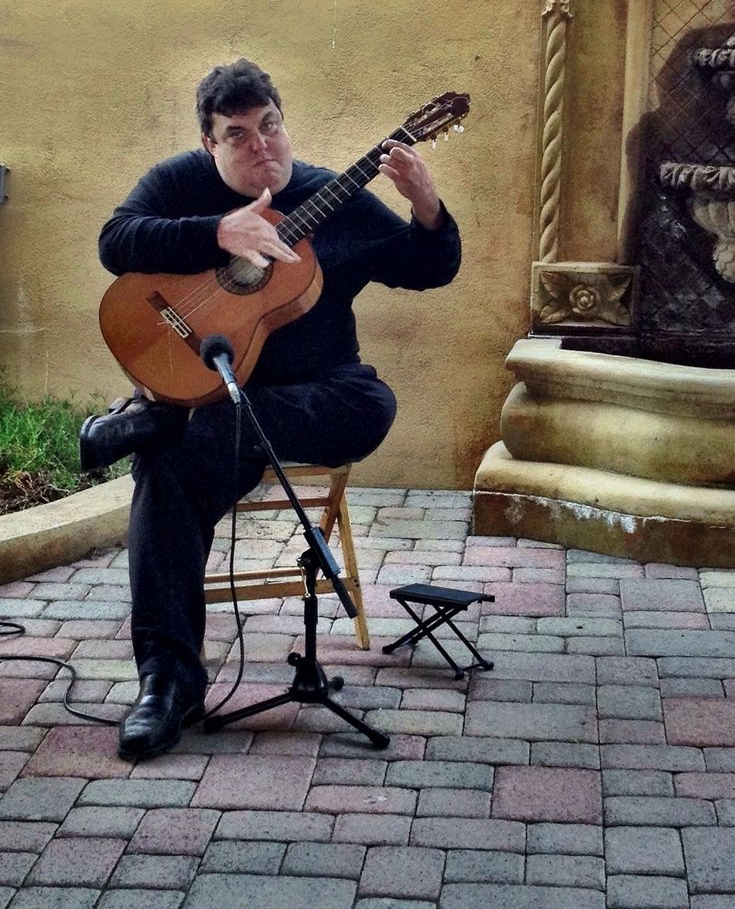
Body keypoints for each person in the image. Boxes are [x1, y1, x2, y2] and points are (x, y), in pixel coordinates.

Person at [80, 59, 461, 761]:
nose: (261, 145)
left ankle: (164, 415)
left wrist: (428, 208)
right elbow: (117, 240)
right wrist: (216, 234)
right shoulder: (178, 184)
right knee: (164, 474)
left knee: (371, 402)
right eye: (238, 134)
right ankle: (166, 684)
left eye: (270, 126)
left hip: (308, 393)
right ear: (210, 146)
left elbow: (427, 267)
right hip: (219, 405)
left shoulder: (331, 196)